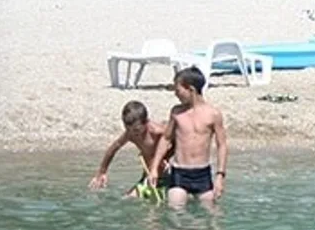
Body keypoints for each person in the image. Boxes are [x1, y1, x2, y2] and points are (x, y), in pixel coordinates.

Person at [148, 67, 228, 207]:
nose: (175, 94)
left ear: (191, 89)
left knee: (211, 213)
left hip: (202, 173)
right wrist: (154, 168)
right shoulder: (176, 112)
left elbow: (222, 145)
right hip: (180, 172)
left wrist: (220, 176)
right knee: (175, 210)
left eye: (178, 90)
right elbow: (166, 139)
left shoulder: (213, 114)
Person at [88, 100, 167, 198]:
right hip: (148, 175)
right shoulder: (130, 134)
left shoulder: (156, 131)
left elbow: (176, 140)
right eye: (128, 129)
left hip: (165, 173)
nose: (133, 133)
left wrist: (167, 157)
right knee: (126, 198)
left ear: (146, 122)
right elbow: (113, 148)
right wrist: (102, 172)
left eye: (136, 129)